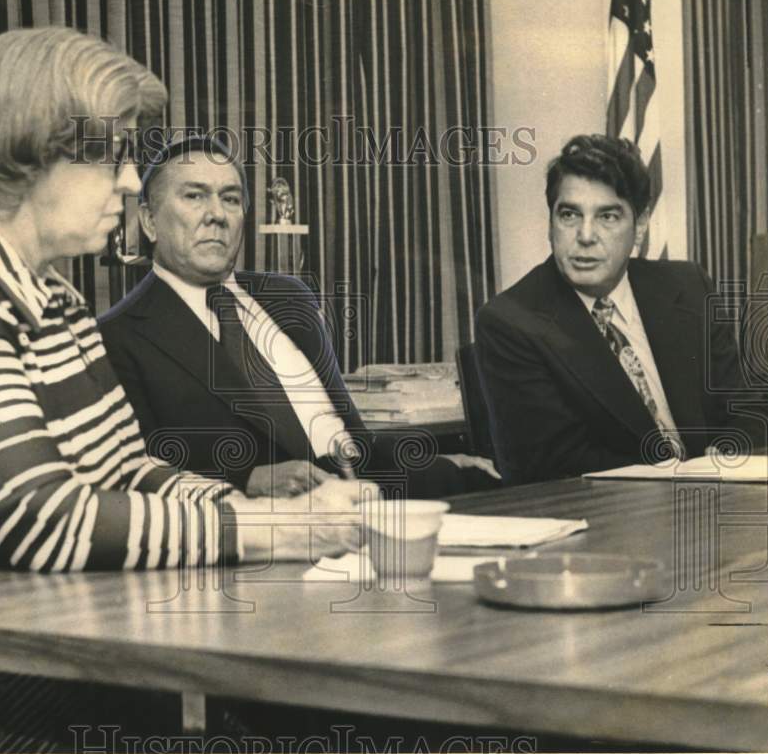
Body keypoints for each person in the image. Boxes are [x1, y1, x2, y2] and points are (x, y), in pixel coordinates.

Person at [0, 28, 367, 582]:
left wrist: (267, 513)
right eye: (111, 159)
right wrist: (272, 529)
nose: (130, 182)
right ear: (25, 157)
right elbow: (43, 521)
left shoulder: (52, 296)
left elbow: (126, 472)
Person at [97, 135, 499, 500]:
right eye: (195, 196)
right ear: (149, 221)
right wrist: (248, 479)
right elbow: (135, 475)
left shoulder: (288, 297)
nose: (217, 214)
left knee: (502, 484)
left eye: (231, 199)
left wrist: (444, 460)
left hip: (375, 498)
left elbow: (347, 439)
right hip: (263, 525)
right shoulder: (119, 336)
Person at [474, 134, 768, 486]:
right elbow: (547, 466)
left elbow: (744, 408)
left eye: (608, 216)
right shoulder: (512, 321)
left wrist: (723, 462)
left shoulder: (687, 286)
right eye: (569, 214)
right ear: (551, 222)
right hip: (607, 518)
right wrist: (682, 477)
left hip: (712, 500)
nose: (585, 235)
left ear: (640, 225)